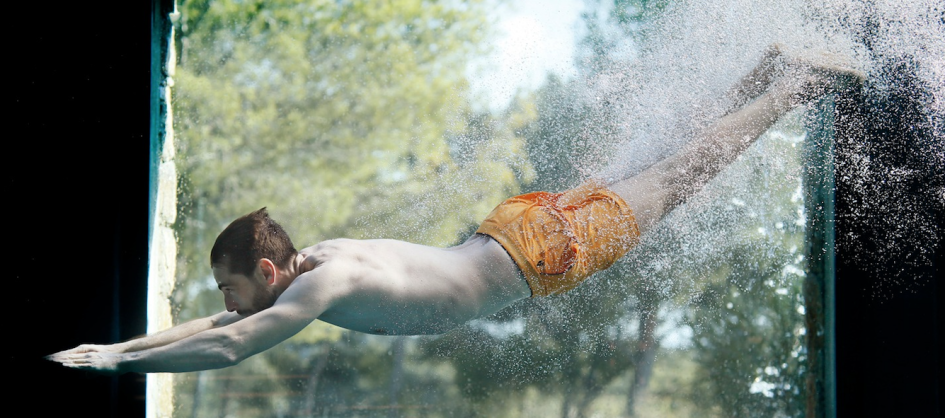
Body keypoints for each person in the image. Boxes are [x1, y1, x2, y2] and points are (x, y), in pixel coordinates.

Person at [48, 45, 863, 374]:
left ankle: (792, 84)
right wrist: (115, 345)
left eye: (230, 287)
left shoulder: (315, 291)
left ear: (267, 271)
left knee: (681, 177)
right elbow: (215, 330)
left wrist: (118, 367)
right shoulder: (321, 257)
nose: (224, 305)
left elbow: (229, 351)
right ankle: (763, 78)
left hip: (541, 251)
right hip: (511, 228)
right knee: (667, 170)